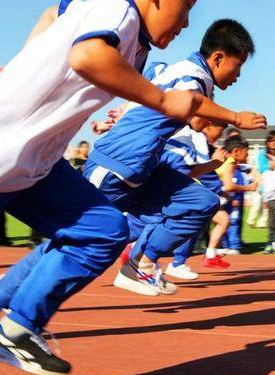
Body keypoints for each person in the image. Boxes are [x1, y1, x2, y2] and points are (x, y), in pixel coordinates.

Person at [0, 0, 202, 375]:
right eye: (187, 6)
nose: (186, 21)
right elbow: (74, 38)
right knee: (75, 238)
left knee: (98, 233)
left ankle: (14, 325)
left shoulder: (140, 46)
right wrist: (21, 69)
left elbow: (101, 72)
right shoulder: (121, 13)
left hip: (47, 161)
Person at [82, 19, 265, 297]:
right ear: (218, 57)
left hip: (142, 169)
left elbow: (146, 87)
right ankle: (1, 302)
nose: (238, 75)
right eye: (237, 66)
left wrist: (123, 111)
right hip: (115, 166)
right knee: (79, 246)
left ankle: (140, 264)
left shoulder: (172, 69)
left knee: (200, 201)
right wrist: (237, 117)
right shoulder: (195, 78)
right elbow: (189, 101)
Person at [159, 118, 229, 279]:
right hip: (176, 187)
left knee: (197, 222)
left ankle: (174, 261)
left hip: (174, 185)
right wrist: (217, 189)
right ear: (209, 124)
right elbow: (200, 171)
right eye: (220, 129)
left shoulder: (189, 134)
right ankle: (170, 262)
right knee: (156, 222)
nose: (220, 135)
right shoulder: (195, 137)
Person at [219, 136, 258, 254]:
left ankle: (216, 249)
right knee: (225, 221)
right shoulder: (230, 162)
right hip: (212, 197)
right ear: (236, 151)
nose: (247, 155)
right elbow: (229, 186)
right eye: (246, 152)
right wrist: (249, 188)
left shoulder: (225, 160)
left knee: (223, 222)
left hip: (217, 197)